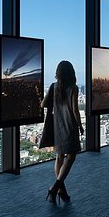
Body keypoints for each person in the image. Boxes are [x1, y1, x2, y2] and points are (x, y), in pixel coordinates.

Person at [41, 60, 84, 204]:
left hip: (57, 126)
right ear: (71, 72)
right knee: (71, 157)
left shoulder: (54, 87)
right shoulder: (73, 88)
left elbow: (43, 104)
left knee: (59, 157)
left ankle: (60, 191)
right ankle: (55, 188)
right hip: (69, 126)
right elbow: (75, 110)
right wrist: (80, 125)